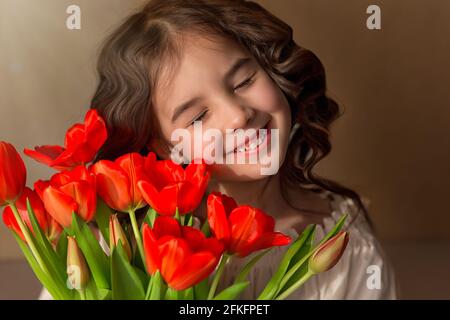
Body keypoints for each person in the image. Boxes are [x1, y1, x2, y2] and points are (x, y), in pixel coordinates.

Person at [40, 0, 397, 300]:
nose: (239, 115)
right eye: (197, 117)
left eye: (244, 81)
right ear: (160, 144)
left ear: (274, 72)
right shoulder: (110, 253)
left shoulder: (345, 248)